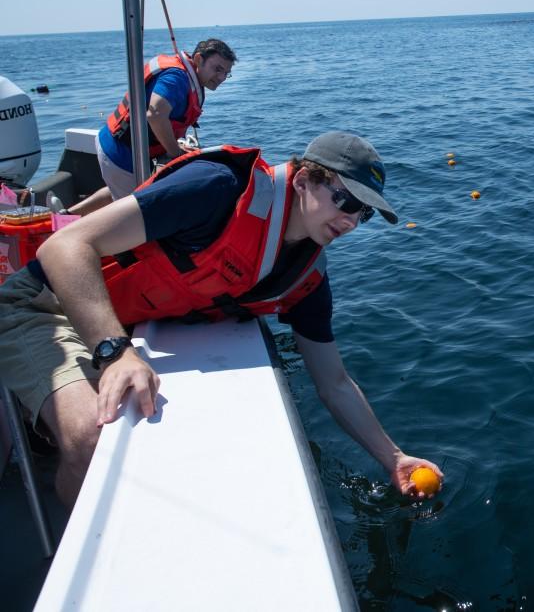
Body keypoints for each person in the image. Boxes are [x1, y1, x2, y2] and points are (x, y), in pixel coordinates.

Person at [0, 131, 443, 507]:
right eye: (345, 200)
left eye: (362, 213)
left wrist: (394, 458)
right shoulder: (215, 188)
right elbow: (64, 248)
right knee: (93, 439)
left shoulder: (306, 277)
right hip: (44, 306)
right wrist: (115, 352)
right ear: (305, 179)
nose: (350, 220)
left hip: (119, 318)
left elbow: (335, 383)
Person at [68, 39, 237, 215]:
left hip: (120, 146)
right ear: (198, 59)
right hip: (122, 153)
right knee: (134, 215)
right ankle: (80, 234)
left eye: (226, 73)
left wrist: (173, 145)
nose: (221, 78)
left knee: (117, 192)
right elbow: (155, 113)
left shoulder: (189, 79)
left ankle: (65, 216)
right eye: (217, 69)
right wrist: (175, 153)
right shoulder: (177, 78)